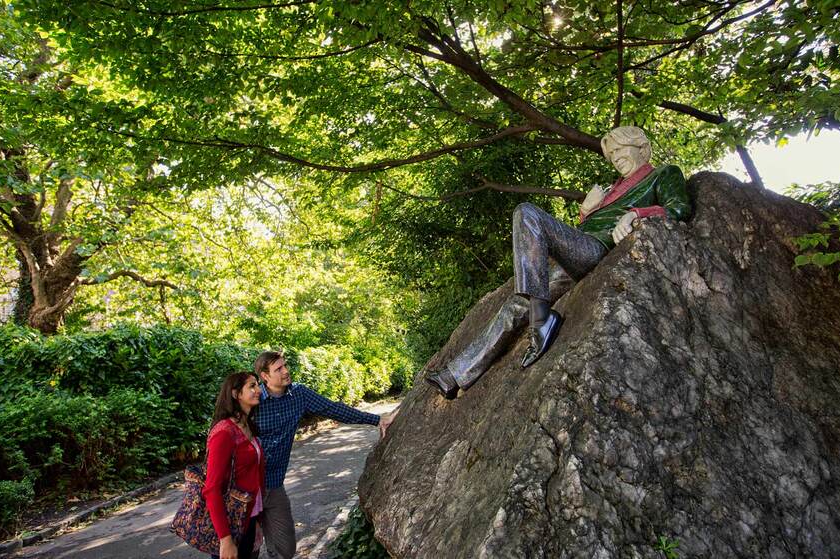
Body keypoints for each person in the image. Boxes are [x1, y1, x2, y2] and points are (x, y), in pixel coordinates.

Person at [425, 125, 691, 399]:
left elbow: (679, 208)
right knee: (518, 303)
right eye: (611, 154)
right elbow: (587, 226)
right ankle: (453, 375)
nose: (615, 157)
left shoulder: (663, 174)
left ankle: (542, 321)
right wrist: (587, 210)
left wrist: (635, 214)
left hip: (596, 248)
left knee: (527, 212)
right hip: (576, 251)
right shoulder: (612, 189)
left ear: (642, 149)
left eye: (621, 149)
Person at [252, 350, 396, 559]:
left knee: (284, 548)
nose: (286, 371)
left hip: (273, 484)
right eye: (279, 368)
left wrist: (376, 420)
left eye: (285, 365)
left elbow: (333, 409)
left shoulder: (298, 394)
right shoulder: (253, 399)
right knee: (245, 548)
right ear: (265, 376)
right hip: (245, 486)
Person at [203, 372, 265, 559]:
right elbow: (211, 488)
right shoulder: (224, 432)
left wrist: (258, 519)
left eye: (257, 385)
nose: (258, 390)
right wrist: (225, 540)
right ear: (236, 394)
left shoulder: (247, 425)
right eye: (252, 386)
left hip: (249, 517)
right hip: (231, 523)